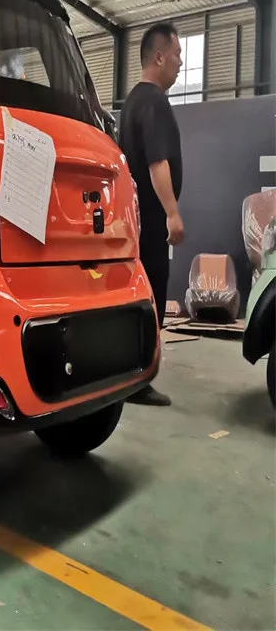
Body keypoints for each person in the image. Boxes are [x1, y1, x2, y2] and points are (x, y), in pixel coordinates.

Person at [119, 22, 185, 407]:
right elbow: (158, 162)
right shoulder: (155, 102)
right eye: (177, 55)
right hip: (151, 220)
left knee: (138, 296)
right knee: (153, 296)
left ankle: (131, 375)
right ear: (159, 57)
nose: (180, 63)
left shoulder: (132, 102)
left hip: (133, 221)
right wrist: (172, 213)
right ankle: (140, 381)